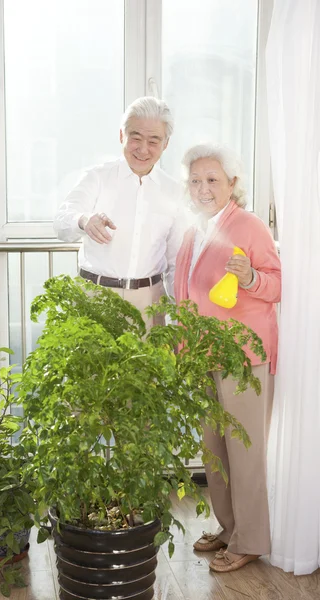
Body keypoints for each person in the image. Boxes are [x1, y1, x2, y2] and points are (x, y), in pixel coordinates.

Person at [174, 143, 281, 573]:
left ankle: (251, 539)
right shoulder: (192, 231)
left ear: (233, 184)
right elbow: (185, 294)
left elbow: (276, 285)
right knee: (214, 451)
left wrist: (252, 277)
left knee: (244, 452)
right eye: (196, 180)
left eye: (212, 179)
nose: (203, 188)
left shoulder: (250, 226)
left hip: (243, 357)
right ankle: (230, 527)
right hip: (203, 353)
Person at [53, 97, 187, 330]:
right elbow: (61, 221)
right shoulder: (97, 177)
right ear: (121, 136)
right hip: (97, 297)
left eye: (153, 141)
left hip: (149, 302)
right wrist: (84, 220)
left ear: (165, 144)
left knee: (148, 367)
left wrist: (178, 319)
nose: (143, 149)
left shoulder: (175, 191)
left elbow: (176, 262)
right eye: (136, 138)